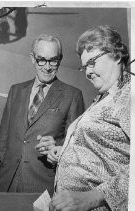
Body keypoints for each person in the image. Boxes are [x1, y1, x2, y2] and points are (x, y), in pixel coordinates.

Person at [48, 25, 131, 211]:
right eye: (85, 66)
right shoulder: (104, 98)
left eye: (92, 62)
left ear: (116, 55)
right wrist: (65, 151)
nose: (87, 72)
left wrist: (93, 198)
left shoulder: (129, 94)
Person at [0, 34, 84, 195]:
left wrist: (57, 147)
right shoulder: (16, 90)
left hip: (43, 186)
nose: (47, 67)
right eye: (41, 59)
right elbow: (4, 139)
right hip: (6, 183)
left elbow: (76, 146)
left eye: (53, 60)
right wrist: (1, 171)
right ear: (32, 58)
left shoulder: (73, 95)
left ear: (60, 59)